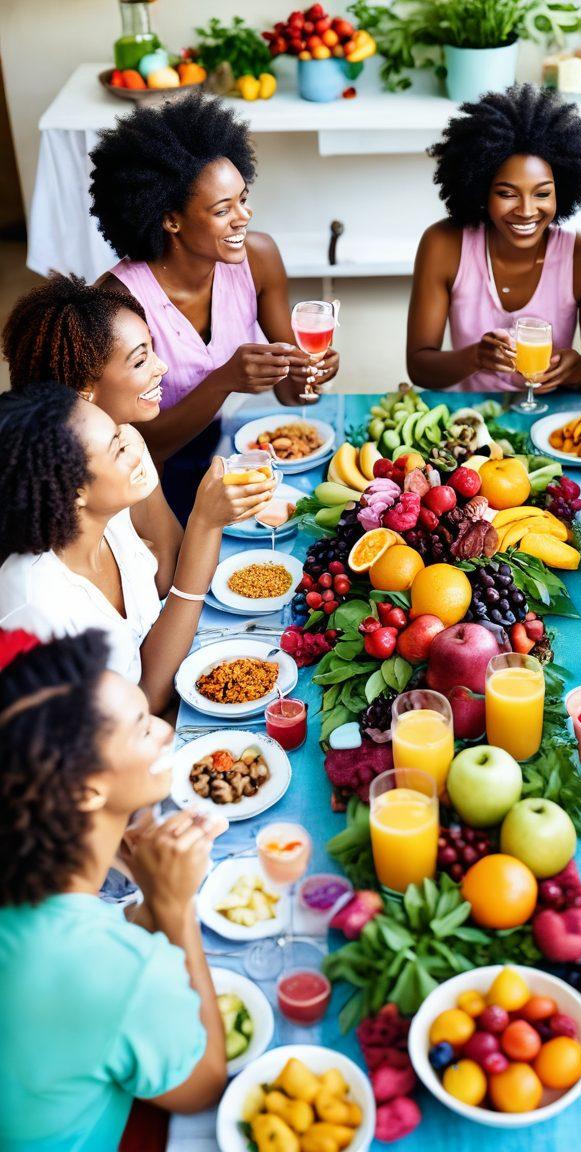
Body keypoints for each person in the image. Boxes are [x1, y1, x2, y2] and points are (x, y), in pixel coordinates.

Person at [0, 630, 228, 1150]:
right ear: (86, 791)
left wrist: (151, 895)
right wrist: (174, 909)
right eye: (141, 728)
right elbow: (204, 1085)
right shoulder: (114, 966)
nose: (166, 733)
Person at [89, 93, 338, 521]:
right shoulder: (120, 302)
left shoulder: (258, 259)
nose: (244, 216)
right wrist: (223, 381)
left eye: (244, 198)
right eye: (224, 209)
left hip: (222, 451)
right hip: (145, 486)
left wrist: (310, 372)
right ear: (171, 220)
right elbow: (136, 445)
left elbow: (291, 392)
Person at [0, 383, 273, 712]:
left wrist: (208, 523)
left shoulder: (109, 521)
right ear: (74, 492)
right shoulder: (34, 609)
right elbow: (141, 703)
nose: (133, 447)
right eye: (117, 448)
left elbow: (150, 657)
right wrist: (204, 522)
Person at [407, 84, 581, 395]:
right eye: (507, 194)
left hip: (550, 422)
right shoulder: (443, 245)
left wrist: (579, 369)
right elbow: (419, 368)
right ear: (480, 190)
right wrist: (475, 357)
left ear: (561, 192)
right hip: (470, 421)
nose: (526, 211)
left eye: (542, 194)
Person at [2, 273, 183, 590]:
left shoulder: (127, 436)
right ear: (85, 387)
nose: (161, 367)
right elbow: (165, 575)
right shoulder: (53, 483)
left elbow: (169, 552)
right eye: (141, 360)